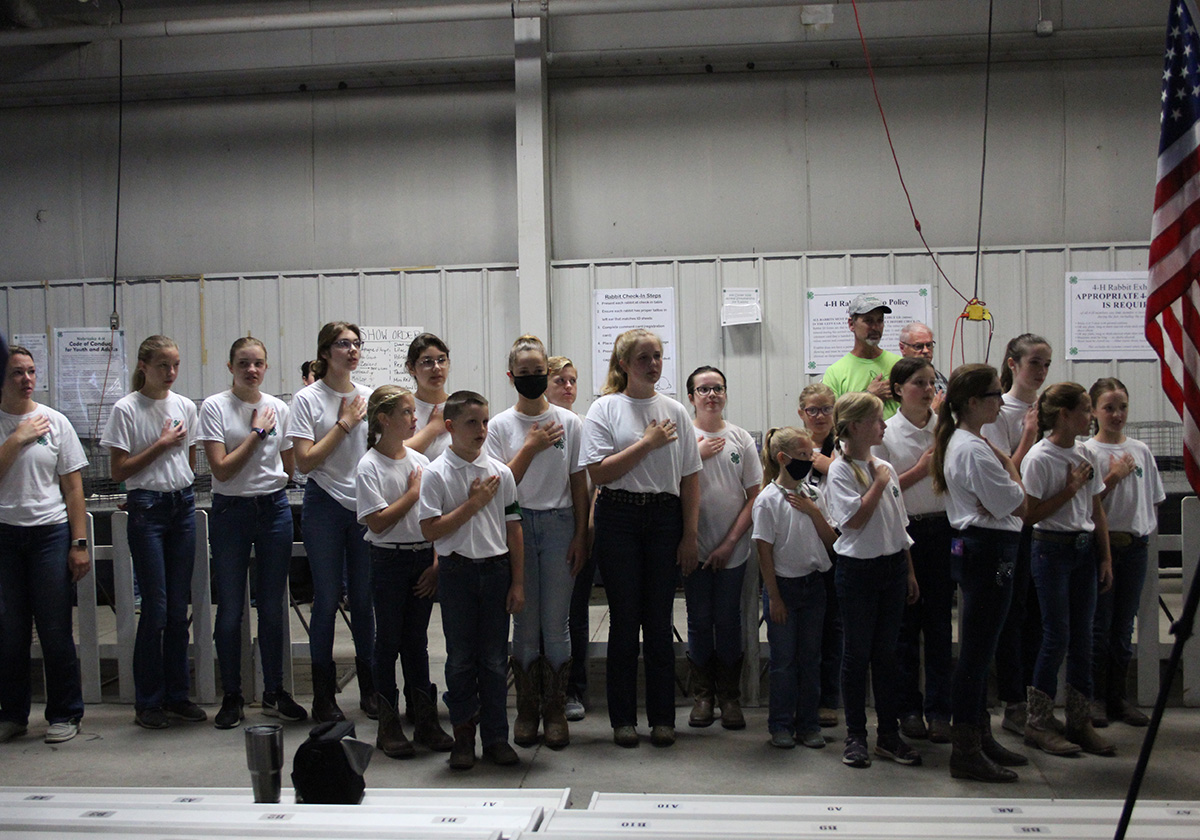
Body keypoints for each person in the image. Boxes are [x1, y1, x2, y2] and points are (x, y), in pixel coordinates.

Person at [582, 329, 701, 749]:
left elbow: (690, 477)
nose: (653, 365)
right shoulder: (605, 409)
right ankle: (622, 720)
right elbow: (598, 472)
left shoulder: (675, 411)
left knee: (658, 620)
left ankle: (663, 718)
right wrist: (647, 444)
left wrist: (690, 534)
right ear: (623, 364)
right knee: (624, 619)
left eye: (658, 356)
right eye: (643, 358)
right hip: (618, 515)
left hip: (665, 518)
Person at [199, 337, 307, 730]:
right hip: (231, 510)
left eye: (258, 363)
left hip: (273, 508)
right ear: (230, 367)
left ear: (266, 367)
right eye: (244, 363)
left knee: (273, 608)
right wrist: (257, 434)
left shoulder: (279, 408)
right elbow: (222, 469)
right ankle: (233, 694)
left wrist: (270, 450)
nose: (252, 370)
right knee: (230, 609)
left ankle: (274, 692)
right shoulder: (215, 407)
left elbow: (289, 465)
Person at [487, 336, 588, 750]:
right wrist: (529, 447)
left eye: (538, 372)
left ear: (547, 373)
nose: (532, 379)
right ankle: (527, 707)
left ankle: (555, 708)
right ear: (512, 377)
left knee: (557, 622)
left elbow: (578, 480)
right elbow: (500, 484)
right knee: (525, 623)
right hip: (517, 526)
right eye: (523, 374)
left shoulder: (571, 423)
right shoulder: (498, 426)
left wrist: (582, 532)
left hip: (562, 522)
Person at [930, 363, 1029, 782]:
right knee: (976, 652)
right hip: (987, 549)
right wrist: (1010, 474)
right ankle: (965, 749)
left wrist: (1006, 475)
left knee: (982, 648)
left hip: (988, 546)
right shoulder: (970, 448)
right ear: (972, 402)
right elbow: (1017, 501)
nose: (1000, 401)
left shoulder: (972, 441)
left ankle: (978, 733)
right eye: (993, 394)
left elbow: (1008, 499)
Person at [101, 335, 206, 730]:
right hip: (147, 508)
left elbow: (189, 459)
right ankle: (148, 701)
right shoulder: (127, 409)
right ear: (144, 366)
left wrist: (176, 472)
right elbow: (118, 470)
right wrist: (161, 446)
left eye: (176, 365)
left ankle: (177, 695)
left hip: (180, 504)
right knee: (157, 609)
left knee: (179, 609)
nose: (171, 373)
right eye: (163, 366)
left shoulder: (183, 406)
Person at [418, 390, 525, 770]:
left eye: (484, 422)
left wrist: (518, 581)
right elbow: (431, 529)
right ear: (449, 427)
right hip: (457, 573)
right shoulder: (435, 474)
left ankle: (496, 736)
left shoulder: (501, 472)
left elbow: (513, 529)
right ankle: (464, 733)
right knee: (461, 659)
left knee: (495, 660)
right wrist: (472, 505)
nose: (481, 430)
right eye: (471, 423)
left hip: (495, 571)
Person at [356, 385, 453, 758]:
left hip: (420, 557)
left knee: (417, 640)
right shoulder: (369, 466)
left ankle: (424, 717)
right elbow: (377, 523)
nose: (416, 418)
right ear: (384, 419)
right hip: (388, 560)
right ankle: (388, 722)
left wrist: (434, 563)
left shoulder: (420, 461)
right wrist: (411, 495)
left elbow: (434, 519)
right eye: (408, 412)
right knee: (389, 640)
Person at [825, 391, 919, 768]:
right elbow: (852, 521)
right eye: (878, 420)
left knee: (887, 654)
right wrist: (877, 483)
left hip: (892, 566)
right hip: (858, 572)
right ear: (856, 426)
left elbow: (900, 523)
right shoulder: (841, 469)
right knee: (857, 653)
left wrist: (909, 568)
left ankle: (889, 734)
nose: (883, 426)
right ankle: (856, 735)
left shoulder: (885, 467)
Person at [0, 346, 89, 745]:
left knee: (54, 628)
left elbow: (73, 487)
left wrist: (79, 542)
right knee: (10, 630)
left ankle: (65, 713)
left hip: (49, 533)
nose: (27, 379)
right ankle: (13, 714)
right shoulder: (8, 425)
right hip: (5, 534)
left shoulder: (55, 422)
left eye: (32, 371)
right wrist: (18, 438)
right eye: (18, 372)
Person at [1021, 382, 1114, 757]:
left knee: (1083, 638)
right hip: (1051, 551)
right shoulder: (1040, 458)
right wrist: (1070, 488)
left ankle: (1079, 719)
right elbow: (1029, 515)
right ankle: (1038, 721)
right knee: (1056, 634)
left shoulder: (1085, 453)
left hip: (1082, 551)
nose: (1091, 417)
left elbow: (1096, 508)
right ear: (1064, 414)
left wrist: (1105, 556)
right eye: (1086, 409)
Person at [289, 322, 376, 722]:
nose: (353, 350)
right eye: (344, 344)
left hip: (363, 504)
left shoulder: (369, 397)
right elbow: (304, 461)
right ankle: (323, 695)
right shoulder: (307, 399)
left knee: (363, 600)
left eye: (357, 344)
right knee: (326, 598)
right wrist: (344, 424)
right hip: (324, 502)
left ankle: (372, 690)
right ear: (325, 352)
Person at [873, 358, 952, 744]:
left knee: (939, 627)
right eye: (918, 383)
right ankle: (907, 709)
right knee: (904, 629)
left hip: (943, 532)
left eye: (931, 382)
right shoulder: (886, 434)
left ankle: (940, 711)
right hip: (906, 534)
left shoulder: (946, 431)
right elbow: (881, 495)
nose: (927, 389)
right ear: (899, 389)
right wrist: (921, 469)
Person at [982, 333, 1053, 736]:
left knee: (1041, 616)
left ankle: (1037, 697)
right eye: (1034, 364)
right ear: (1012, 364)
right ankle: (1012, 700)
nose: (1041, 372)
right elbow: (1005, 471)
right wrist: (1028, 434)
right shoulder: (1000, 411)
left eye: (1046, 364)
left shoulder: (1049, 406)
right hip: (1012, 526)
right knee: (1012, 613)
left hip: (1047, 523)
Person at [684, 365, 762, 730]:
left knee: (728, 622)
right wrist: (695, 453)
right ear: (691, 398)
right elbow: (670, 487)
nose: (712, 395)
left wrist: (731, 542)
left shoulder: (741, 439)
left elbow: (754, 496)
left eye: (718, 388)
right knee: (699, 622)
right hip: (693, 550)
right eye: (704, 389)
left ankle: (730, 697)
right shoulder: (682, 438)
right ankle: (703, 696)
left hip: (733, 550)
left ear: (726, 394)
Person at [1083, 378, 1164, 729]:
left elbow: (1152, 498)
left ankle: (1118, 696)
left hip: (1135, 546)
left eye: (1122, 407)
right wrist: (1112, 478)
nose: (1117, 415)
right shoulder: (1088, 451)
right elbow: (1086, 501)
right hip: (1103, 545)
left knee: (1123, 626)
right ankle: (1094, 697)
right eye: (1109, 408)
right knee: (1099, 624)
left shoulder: (1141, 451)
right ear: (1094, 411)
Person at [754, 426, 837, 751]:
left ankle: (808, 723)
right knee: (784, 661)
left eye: (810, 456)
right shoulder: (768, 500)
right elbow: (764, 551)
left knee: (810, 658)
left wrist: (814, 512)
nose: (808, 462)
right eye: (803, 456)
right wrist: (773, 596)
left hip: (814, 586)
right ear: (783, 459)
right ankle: (781, 725)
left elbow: (832, 541)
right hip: (783, 589)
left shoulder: (814, 495)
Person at [546, 355, 593, 723]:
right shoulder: (523, 423)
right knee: (542, 616)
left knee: (574, 614)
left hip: (578, 529)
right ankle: (540, 685)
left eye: (572, 380)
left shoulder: (584, 425)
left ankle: (573, 686)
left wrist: (584, 530)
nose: (568, 387)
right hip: (540, 528)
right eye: (560, 380)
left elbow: (589, 487)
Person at [798, 382, 842, 729]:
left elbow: (854, 483)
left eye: (826, 408)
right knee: (805, 630)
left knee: (832, 627)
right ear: (802, 414)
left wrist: (825, 463)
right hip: (800, 546)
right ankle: (803, 694)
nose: (820, 415)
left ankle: (830, 697)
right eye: (813, 410)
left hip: (838, 544)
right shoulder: (791, 445)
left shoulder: (844, 448)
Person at [822, 294, 901, 419]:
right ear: (851, 324)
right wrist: (869, 396)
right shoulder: (835, 372)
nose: (875, 327)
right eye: (868, 321)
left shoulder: (899, 364)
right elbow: (831, 417)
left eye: (879, 320)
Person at [406, 333, 452, 462]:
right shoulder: (402, 407)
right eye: (427, 362)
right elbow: (393, 454)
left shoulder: (460, 405)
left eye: (442, 360)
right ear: (411, 368)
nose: (436, 368)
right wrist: (434, 427)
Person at [897, 322, 948, 403]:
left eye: (929, 345)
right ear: (902, 348)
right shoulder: (899, 378)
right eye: (918, 346)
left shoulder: (939, 377)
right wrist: (931, 411)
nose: (926, 351)